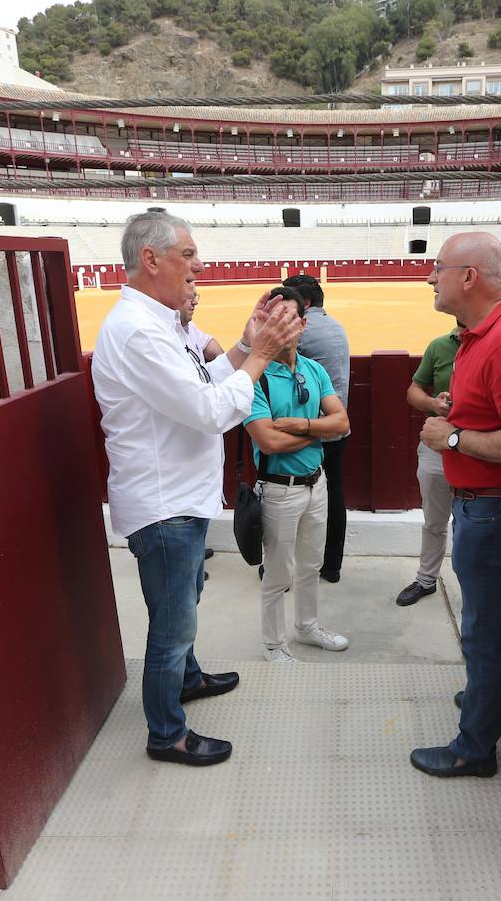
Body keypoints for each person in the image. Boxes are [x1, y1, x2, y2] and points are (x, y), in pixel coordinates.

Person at [92, 211, 300, 768]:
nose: (198, 267)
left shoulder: (156, 324)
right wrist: (259, 356)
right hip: (164, 505)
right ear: (151, 259)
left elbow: (203, 383)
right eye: (187, 255)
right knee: (172, 623)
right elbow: (211, 412)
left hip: (176, 497)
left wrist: (244, 346)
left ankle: (185, 679)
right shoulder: (138, 331)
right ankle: (167, 734)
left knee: (183, 603)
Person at [410, 232, 501, 779]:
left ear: (468, 276)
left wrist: (450, 439)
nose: (430, 277)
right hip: (491, 503)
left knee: (482, 629)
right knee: (492, 620)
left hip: (495, 506)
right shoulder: (484, 335)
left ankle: (475, 748)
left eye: (438, 268)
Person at [244, 286, 352, 663]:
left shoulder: (313, 369)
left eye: (289, 318)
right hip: (278, 490)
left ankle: (306, 627)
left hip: (316, 484)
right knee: (277, 574)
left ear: (303, 324)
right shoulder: (254, 377)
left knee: (311, 565)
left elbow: (341, 422)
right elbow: (268, 442)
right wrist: (316, 429)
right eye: (273, 318)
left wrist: (299, 426)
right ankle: (274, 645)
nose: (282, 325)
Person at [283, 273, 350, 583]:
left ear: (304, 303)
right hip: (336, 427)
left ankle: (287, 567)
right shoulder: (336, 326)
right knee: (333, 496)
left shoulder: (302, 332)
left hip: (310, 430)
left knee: (295, 497)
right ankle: (332, 565)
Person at [396, 321, 464, 607]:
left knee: (472, 524)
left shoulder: (496, 345)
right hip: (437, 448)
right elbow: (414, 390)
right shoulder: (439, 346)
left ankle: (472, 587)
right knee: (434, 521)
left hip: (480, 451)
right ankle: (426, 579)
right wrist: (434, 405)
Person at [180, 290, 225, 363]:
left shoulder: (189, 325)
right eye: (189, 296)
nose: (195, 302)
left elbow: (209, 344)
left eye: (194, 297)